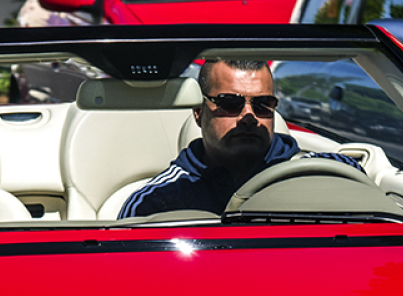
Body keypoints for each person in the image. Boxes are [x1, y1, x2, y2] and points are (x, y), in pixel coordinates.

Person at [119, 57, 361, 218]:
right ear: (198, 112)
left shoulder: (324, 173)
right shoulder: (155, 202)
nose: (248, 116)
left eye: (263, 104)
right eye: (230, 103)